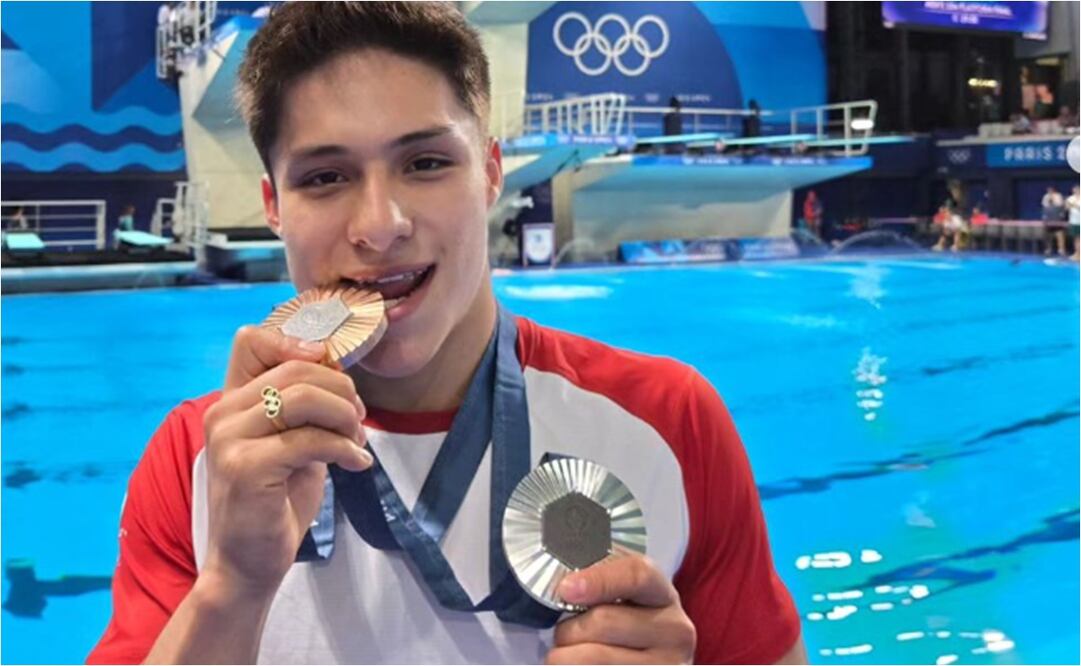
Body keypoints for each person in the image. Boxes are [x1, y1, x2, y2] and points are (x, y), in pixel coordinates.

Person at [87, 4, 805, 665]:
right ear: (273, 205)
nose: (380, 225)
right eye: (325, 177)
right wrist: (232, 587)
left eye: (426, 163)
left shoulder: (666, 417)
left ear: (489, 172)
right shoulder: (198, 456)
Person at [1041, 186, 1066, 256]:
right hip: (1048, 219)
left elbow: (1060, 205)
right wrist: (1044, 217)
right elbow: (1044, 206)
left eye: (1051, 190)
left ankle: (1061, 250)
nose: (1050, 191)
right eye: (1048, 190)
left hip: (1057, 218)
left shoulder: (1058, 196)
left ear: (1054, 190)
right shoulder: (1045, 196)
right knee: (1048, 236)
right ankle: (1048, 250)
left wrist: (1053, 199)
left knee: (1060, 235)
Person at [1066, 185, 1080, 261]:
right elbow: (1067, 208)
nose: (1076, 191)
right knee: (1076, 239)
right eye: (1075, 189)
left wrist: (1075, 205)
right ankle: (1077, 253)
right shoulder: (1071, 198)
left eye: (1078, 189)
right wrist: (1069, 205)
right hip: (1074, 221)